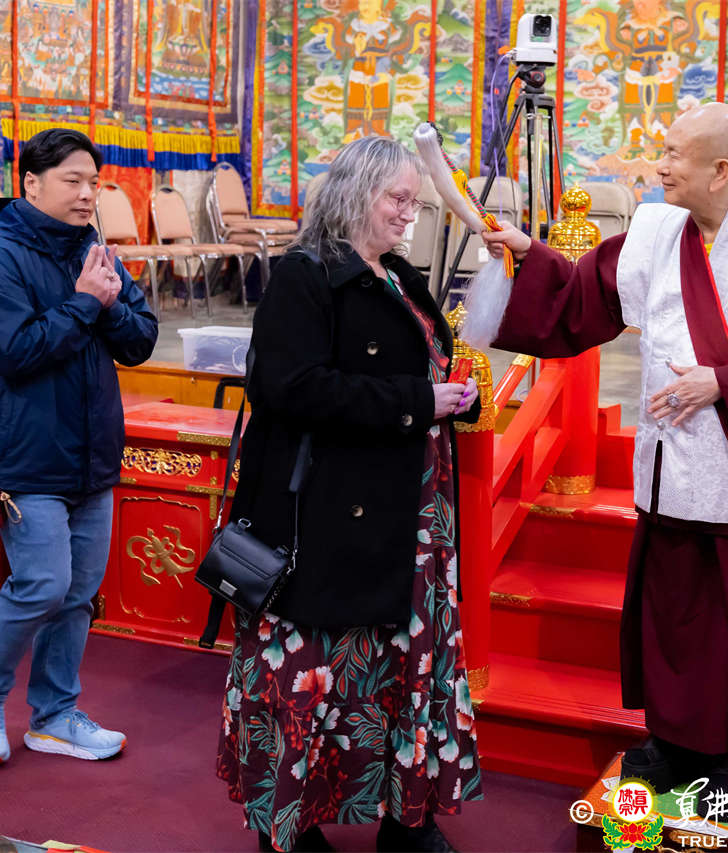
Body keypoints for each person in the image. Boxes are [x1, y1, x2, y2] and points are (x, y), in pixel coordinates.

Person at [469, 102, 728, 810]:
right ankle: (674, 741)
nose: (660, 166)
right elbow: (580, 299)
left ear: (720, 170)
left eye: (676, 154)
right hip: (667, 465)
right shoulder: (654, 233)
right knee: (669, 613)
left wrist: (725, 381)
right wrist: (528, 252)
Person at [216, 135, 483, 853]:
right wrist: (415, 401)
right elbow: (288, 388)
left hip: (410, 509)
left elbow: (421, 367)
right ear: (354, 192)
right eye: (397, 198)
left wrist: (451, 396)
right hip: (325, 514)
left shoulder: (397, 274)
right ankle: (291, 824)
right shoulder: (304, 276)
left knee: (405, 666)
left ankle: (408, 814)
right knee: (313, 671)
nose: (408, 213)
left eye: (415, 202)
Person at [0, 128, 158, 766]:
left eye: (93, 182)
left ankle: (54, 715)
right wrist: (84, 304)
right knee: (43, 584)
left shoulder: (95, 252)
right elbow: (16, 352)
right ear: (31, 184)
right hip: (26, 455)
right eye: (72, 181)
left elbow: (141, 339)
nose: (86, 194)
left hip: (92, 454)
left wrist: (106, 306)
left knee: (77, 596)